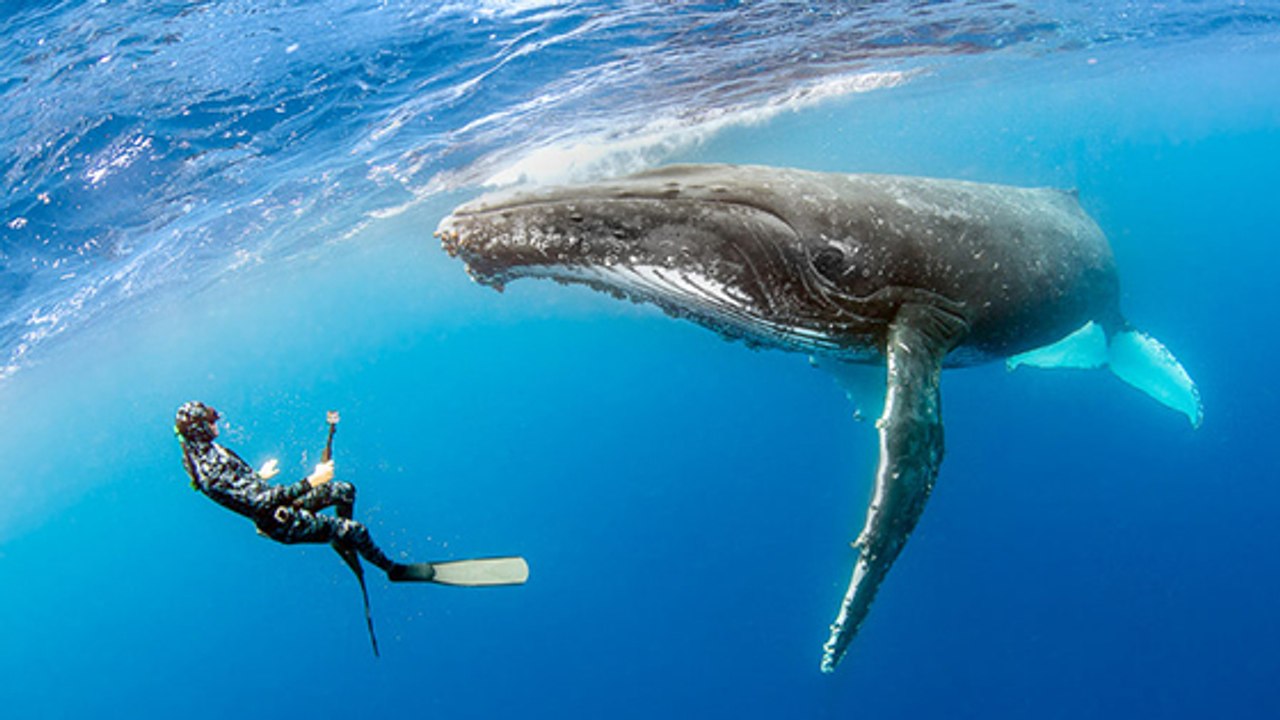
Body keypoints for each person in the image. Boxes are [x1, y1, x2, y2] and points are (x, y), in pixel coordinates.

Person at [174, 400, 405, 577]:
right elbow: (257, 502)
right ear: (199, 428)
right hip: (280, 522)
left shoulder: (202, 449)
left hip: (280, 504)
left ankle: (341, 539)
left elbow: (235, 490)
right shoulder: (208, 471)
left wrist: (257, 476)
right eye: (211, 421)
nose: (217, 422)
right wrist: (312, 481)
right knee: (358, 531)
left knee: (344, 490)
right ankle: (392, 570)